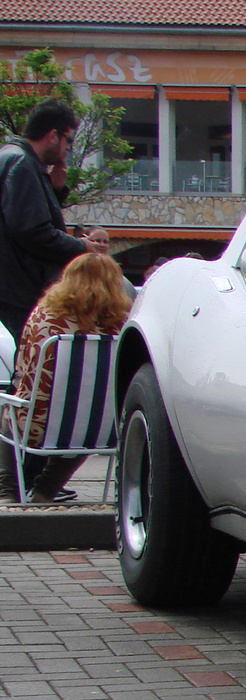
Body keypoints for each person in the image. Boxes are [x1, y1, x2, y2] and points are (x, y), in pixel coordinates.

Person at [0, 252, 131, 504]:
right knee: (83, 422)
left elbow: (24, 370)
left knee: (8, 409)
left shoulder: (45, 317)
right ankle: (45, 490)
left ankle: (7, 491)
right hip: (102, 430)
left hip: (38, 425)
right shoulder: (123, 324)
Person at [0, 99, 87, 347]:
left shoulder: (11, 157)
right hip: (18, 287)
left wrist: (55, 191)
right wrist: (81, 248)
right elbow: (31, 230)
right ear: (52, 135)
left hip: (11, 284)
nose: (67, 149)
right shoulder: (23, 165)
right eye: (68, 140)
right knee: (35, 361)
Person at [82, 227, 137, 301]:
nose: (102, 245)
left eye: (105, 242)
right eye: (97, 241)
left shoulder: (120, 279)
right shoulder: (78, 272)